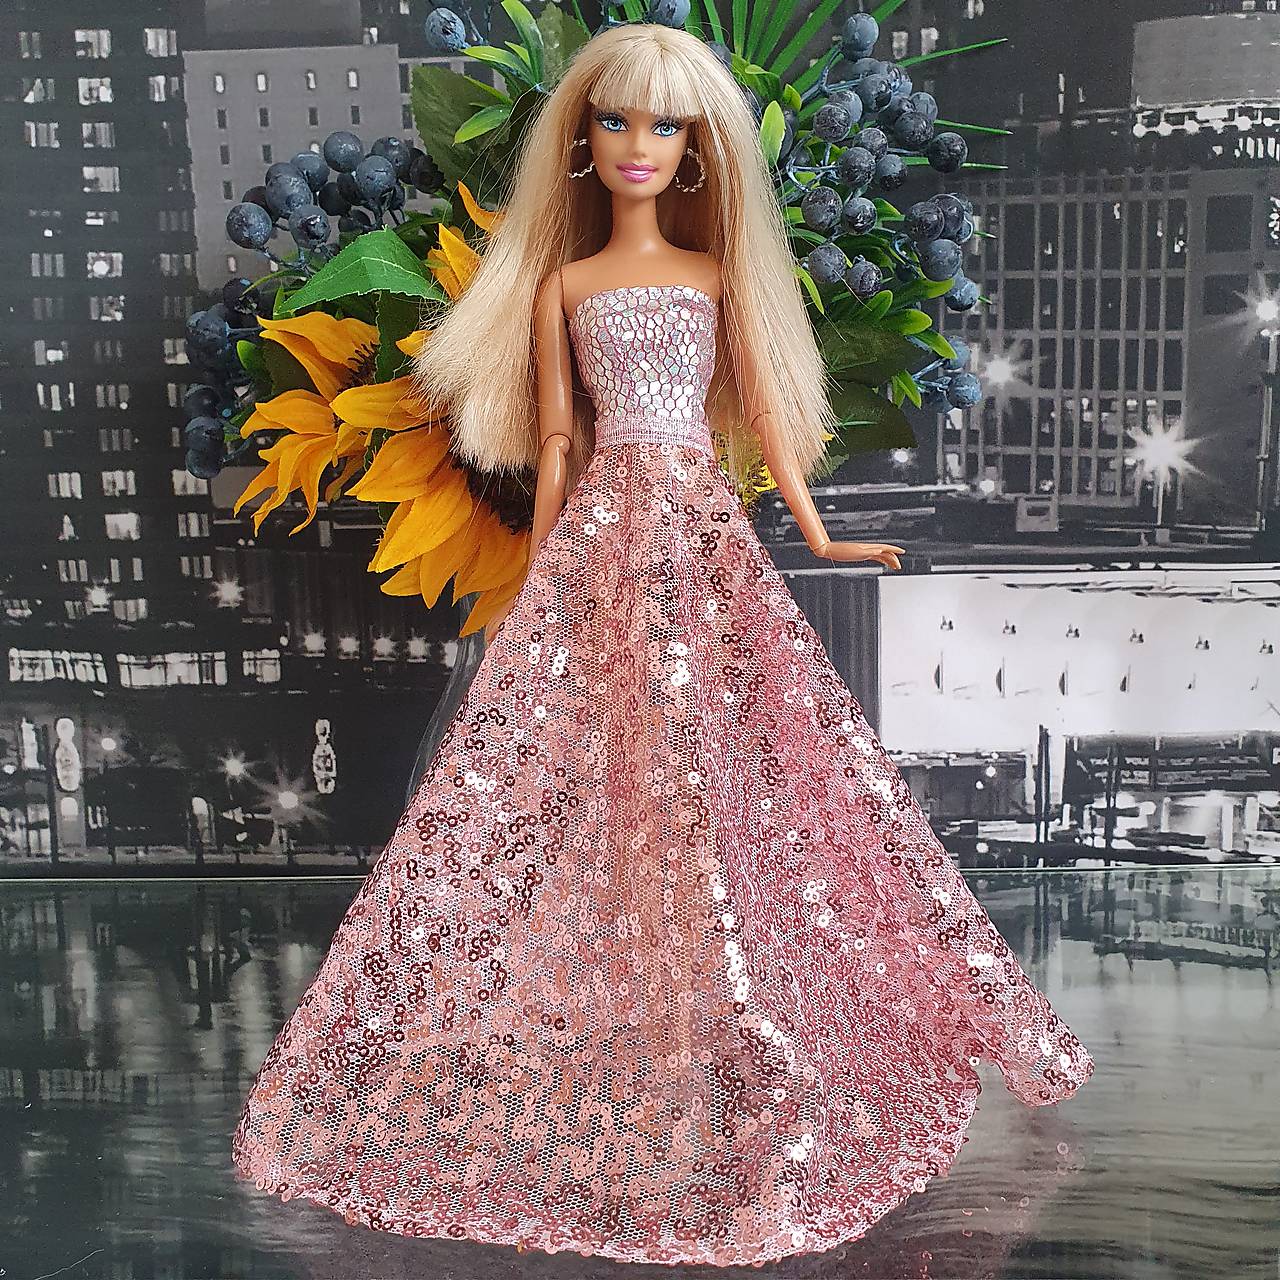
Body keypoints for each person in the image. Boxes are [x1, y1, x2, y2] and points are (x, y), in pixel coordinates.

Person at [231, 22, 1094, 1266]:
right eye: (616, 119)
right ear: (581, 139)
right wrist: (540, 577)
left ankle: (741, 1007)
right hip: (602, 534)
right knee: (613, 767)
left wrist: (819, 533)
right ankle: (654, 997)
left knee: (745, 755)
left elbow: (769, 419)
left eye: (665, 125)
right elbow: (558, 443)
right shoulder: (560, 285)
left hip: (698, 525)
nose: (638, 144)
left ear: (696, 148)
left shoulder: (713, 273)